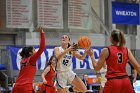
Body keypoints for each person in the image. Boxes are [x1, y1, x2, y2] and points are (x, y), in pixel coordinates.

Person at [12, 27, 45, 93]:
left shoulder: (23, 61)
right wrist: (42, 33)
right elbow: (42, 48)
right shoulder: (31, 59)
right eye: (34, 50)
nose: (35, 51)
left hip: (16, 86)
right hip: (26, 86)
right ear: (30, 53)